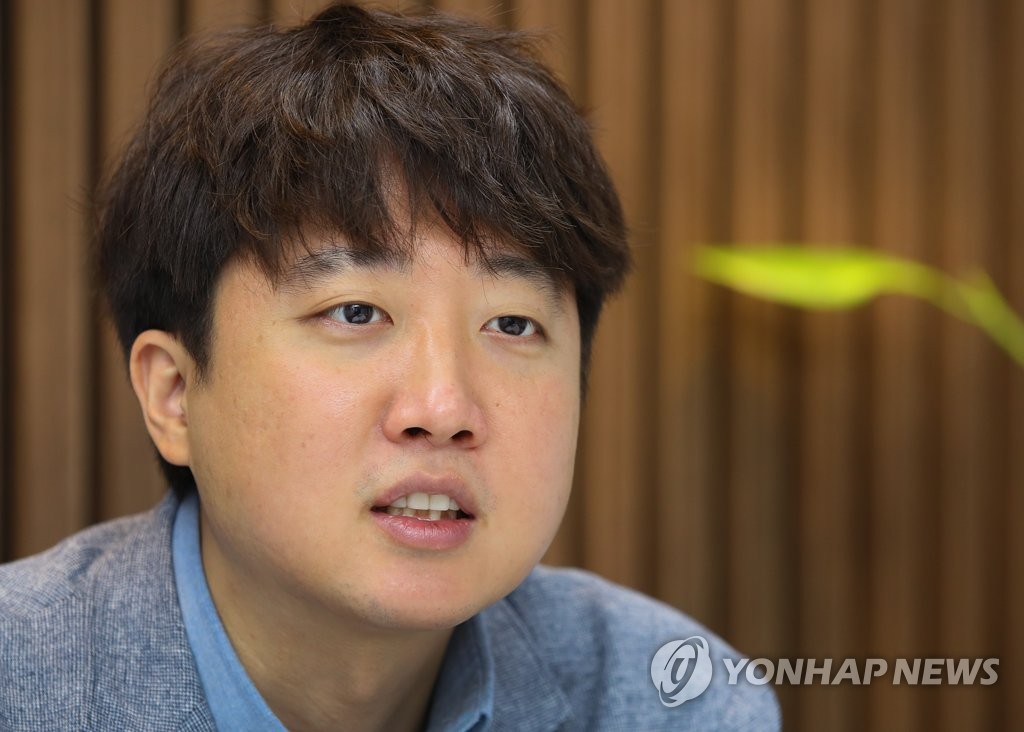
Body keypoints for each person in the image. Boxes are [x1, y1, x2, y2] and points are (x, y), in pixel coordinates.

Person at [0, 3, 779, 730]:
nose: (443, 407)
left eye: (511, 322)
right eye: (355, 312)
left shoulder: (675, 698)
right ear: (173, 394)